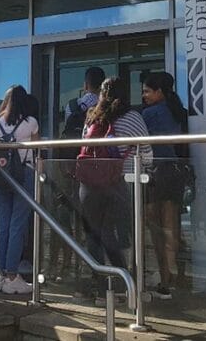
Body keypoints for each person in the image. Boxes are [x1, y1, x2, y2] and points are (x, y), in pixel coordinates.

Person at [77, 76, 152, 300]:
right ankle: (124, 283)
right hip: (120, 182)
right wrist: (145, 167)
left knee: (93, 234)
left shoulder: (92, 116)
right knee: (117, 234)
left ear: (101, 94)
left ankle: (101, 285)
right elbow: (146, 151)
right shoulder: (132, 117)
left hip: (89, 183)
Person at [49, 67, 105, 281]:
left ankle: (65, 263)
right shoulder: (105, 106)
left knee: (66, 213)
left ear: (85, 85)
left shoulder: (72, 106)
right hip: (95, 169)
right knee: (92, 217)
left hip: (69, 167)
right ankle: (94, 265)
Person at [141, 72, 187, 300]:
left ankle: (163, 276)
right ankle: (175, 274)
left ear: (159, 91)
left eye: (147, 91)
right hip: (175, 171)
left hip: (156, 172)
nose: (144, 95)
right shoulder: (177, 111)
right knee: (172, 228)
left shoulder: (150, 114)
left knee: (155, 229)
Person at [0, 85, 40, 295]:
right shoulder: (30, 122)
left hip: (1, 175)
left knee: (3, 226)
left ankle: (2, 274)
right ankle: (12, 275)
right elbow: (36, 150)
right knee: (17, 225)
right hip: (24, 174)